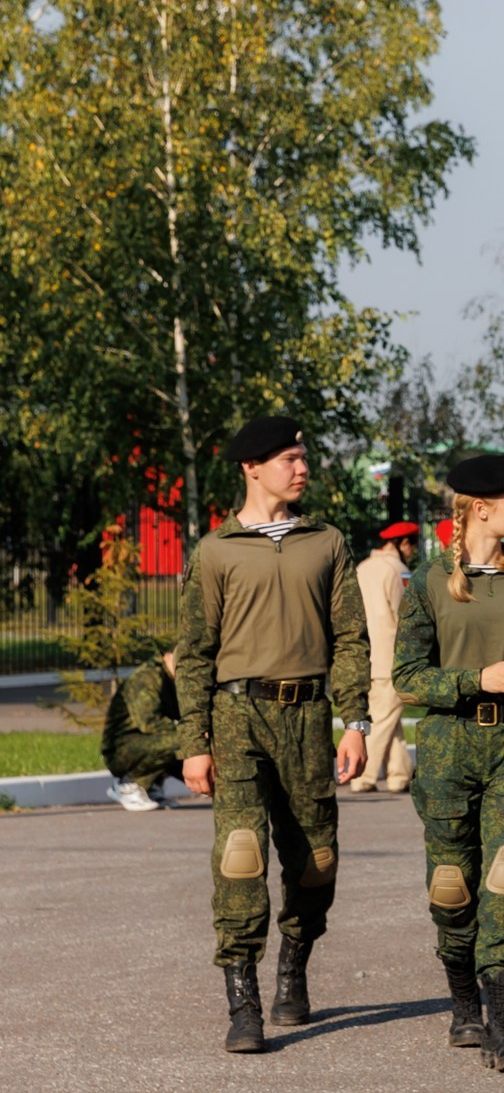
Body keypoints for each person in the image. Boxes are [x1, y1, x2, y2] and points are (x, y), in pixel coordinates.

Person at [174, 417, 371, 1055]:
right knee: (241, 854)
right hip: (237, 718)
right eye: (289, 458)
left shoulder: (327, 543)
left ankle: (294, 962)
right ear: (251, 468)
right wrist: (193, 742)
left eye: (303, 456)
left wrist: (356, 721)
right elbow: (196, 652)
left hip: (309, 717)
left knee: (316, 861)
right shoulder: (215, 551)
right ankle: (243, 998)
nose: (302, 467)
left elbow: (350, 639)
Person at [393, 453, 504, 1070]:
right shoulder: (426, 582)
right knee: (453, 886)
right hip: (449, 748)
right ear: (479, 508)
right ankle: (463, 1005)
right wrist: (480, 677)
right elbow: (407, 679)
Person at [349, 522, 419, 794]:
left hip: (365, 655)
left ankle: (399, 775)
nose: (411, 553)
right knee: (382, 720)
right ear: (403, 543)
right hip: (391, 657)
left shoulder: (363, 567)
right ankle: (363, 776)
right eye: (412, 546)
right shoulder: (399, 571)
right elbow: (407, 616)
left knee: (389, 716)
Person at [103, 647, 183, 812]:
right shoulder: (148, 677)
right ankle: (128, 783)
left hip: (145, 743)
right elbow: (150, 723)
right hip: (122, 751)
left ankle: (150, 785)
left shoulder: (171, 680)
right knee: (183, 740)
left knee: (195, 744)